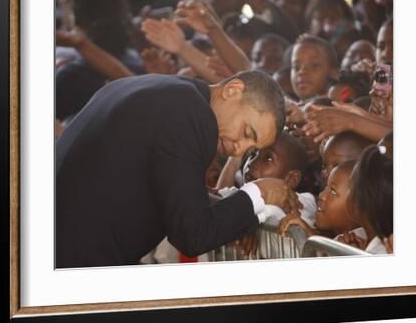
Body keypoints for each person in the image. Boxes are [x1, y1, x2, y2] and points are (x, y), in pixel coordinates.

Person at [56, 70, 295, 267]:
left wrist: (250, 212)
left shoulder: (158, 89)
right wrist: (259, 193)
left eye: (250, 148)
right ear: (233, 91)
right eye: (246, 133)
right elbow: (192, 234)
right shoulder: (192, 115)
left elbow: (173, 198)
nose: (238, 150)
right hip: (74, 262)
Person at [290, 35, 339, 102]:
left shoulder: (340, 111)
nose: (302, 71)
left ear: (333, 73)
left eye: (314, 66)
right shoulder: (285, 110)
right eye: (296, 67)